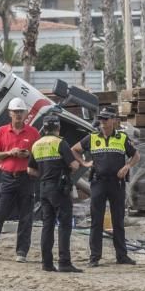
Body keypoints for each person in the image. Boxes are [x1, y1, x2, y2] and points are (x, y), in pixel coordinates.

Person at [71, 106, 140, 267]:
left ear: (114, 120)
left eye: (106, 119)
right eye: (101, 119)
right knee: (96, 220)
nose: (102, 122)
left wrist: (127, 167)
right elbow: (74, 149)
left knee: (118, 221)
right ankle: (94, 257)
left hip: (117, 184)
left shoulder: (122, 138)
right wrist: (84, 163)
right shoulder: (92, 137)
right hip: (98, 183)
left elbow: (136, 155)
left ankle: (122, 256)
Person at [0, 97, 40, 263]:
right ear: (10, 113)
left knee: (26, 217)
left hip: (26, 178)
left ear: (26, 113)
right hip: (8, 178)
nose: (18, 114)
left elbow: (40, 155)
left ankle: (22, 252)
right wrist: (10, 153)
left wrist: (29, 155)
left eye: (21, 111)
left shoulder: (33, 133)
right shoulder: (2, 131)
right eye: (15, 112)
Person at [27, 115, 83, 273]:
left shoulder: (36, 144)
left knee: (47, 226)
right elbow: (73, 165)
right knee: (64, 225)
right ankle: (64, 262)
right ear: (58, 128)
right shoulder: (60, 142)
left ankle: (47, 263)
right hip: (59, 189)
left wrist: (45, 173)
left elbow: (30, 170)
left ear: (44, 128)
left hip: (43, 188)